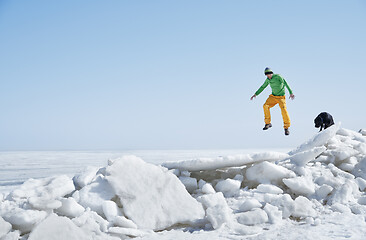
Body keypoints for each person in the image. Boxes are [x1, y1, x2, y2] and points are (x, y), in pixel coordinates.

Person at [250, 67, 295, 136]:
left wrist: (291, 92)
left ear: (271, 73)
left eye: (269, 74)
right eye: (266, 75)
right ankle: (268, 123)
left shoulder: (278, 77)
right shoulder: (268, 80)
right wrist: (255, 94)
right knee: (265, 106)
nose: (268, 76)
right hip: (273, 97)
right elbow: (263, 87)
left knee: (284, 110)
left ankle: (286, 128)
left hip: (281, 97)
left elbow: (285, 83)